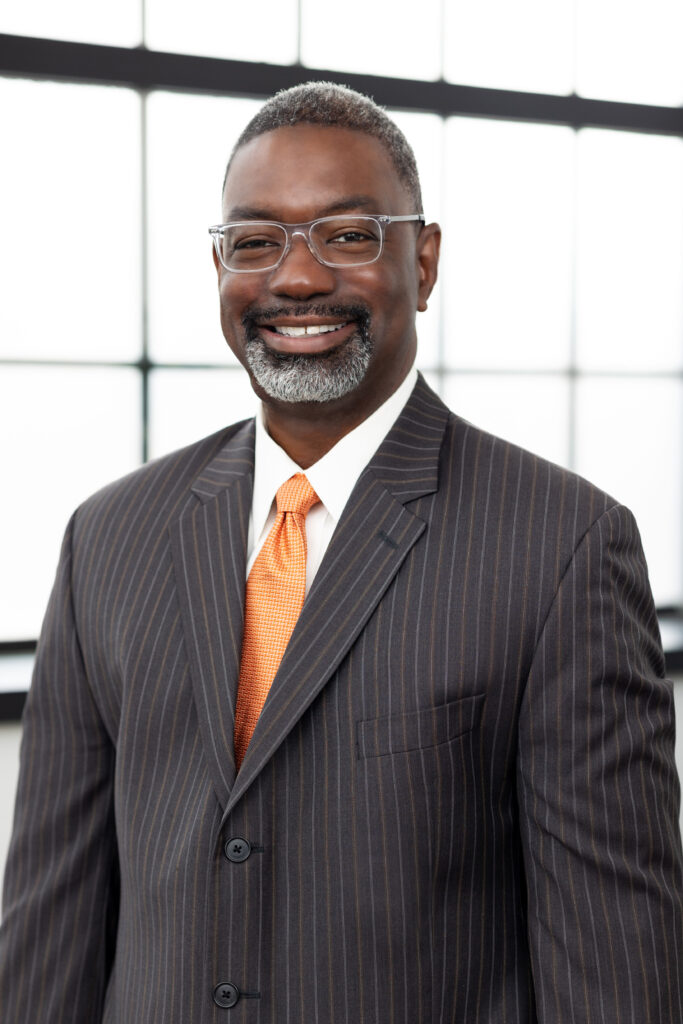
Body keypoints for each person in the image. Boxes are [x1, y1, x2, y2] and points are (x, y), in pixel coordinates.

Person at [1, 81, 681, 1024]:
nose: (296, 279)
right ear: (220, 268)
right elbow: (49, 920)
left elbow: (614, 963)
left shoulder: (562, 546)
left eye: (348, 236)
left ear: (425, 260)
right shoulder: (106, 538)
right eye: (254, 241)